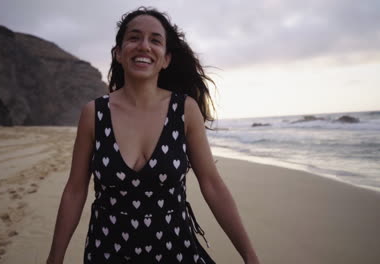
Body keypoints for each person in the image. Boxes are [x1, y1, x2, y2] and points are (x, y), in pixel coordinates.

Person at [46, 7, 260, 264]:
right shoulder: (94, 114)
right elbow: (75, 190)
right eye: (134, 37)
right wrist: (54, 258)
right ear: (119, 53)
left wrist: (250, 256)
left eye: (155, 40)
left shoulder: (184, 110)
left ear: (166, 58)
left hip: (177, 253)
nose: (144, 46)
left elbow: (212, 184)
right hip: (107, 253)